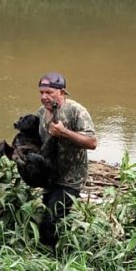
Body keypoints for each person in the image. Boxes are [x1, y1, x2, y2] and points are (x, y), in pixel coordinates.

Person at [36, 71, 97, 252]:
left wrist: (64, 132)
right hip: (50, 176)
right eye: (41, 93)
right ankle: (61, 247)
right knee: (48, 212)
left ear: (62, 92)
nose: (44, 97)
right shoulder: (40, 113)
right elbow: (35, 141)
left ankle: (49, 257)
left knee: (51, 220)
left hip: (71, 178)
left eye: (49, 92)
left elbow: (92, 142)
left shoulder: (76, 111)